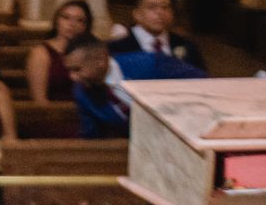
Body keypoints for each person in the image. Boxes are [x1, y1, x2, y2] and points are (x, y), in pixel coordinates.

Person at [66, 34, 204, 138]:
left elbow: (201, 81)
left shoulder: (149, 63)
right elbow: (92, 135)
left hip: (183, 132)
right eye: (69, 70)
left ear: (100, 60)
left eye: (77, 69)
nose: (72, 77)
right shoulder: (81, 93)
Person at [109, 0, 207, 72]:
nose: (160, 12)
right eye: (152, 7)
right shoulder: (118, 47)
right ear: (137, 14)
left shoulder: (186, 44)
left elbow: (201, 79)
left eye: (165, 7)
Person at [26, 0, 94, 103]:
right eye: (66, 17)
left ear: (85, 26)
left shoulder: (90, 52)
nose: (72, 24)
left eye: (79, 20)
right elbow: (39, 100)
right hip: (53, 114)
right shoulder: (41, 53)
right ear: (57, 21)